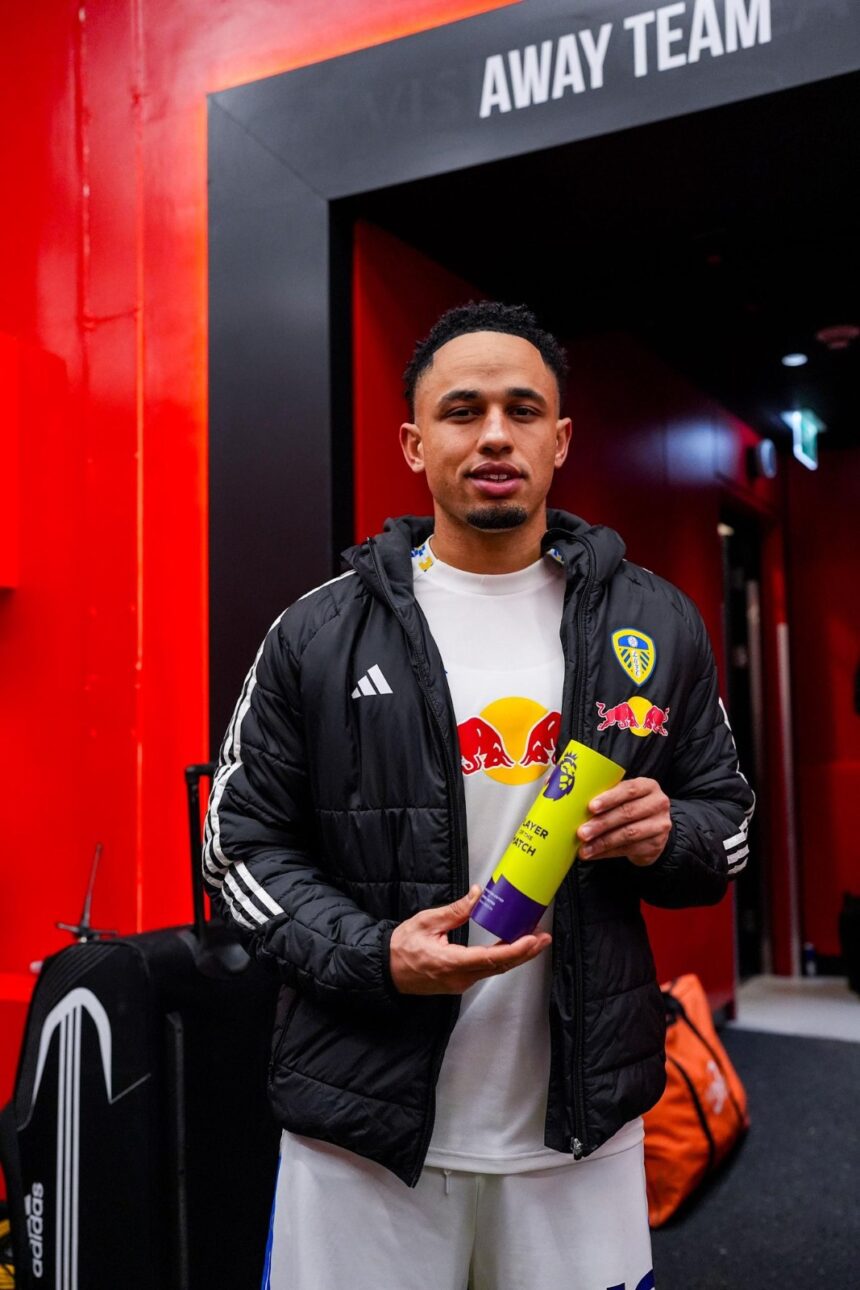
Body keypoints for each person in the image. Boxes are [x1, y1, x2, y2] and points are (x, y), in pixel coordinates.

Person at [202, 301, 753, 1290]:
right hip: (360, 1135)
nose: (493, 433)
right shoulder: (317, 633)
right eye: (461, 411)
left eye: (520, 409)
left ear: (560, 439)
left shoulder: (653, 622)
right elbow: (237, 848)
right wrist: (375, 955)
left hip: (576, 1133)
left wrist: (669, 833)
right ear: (414, 445)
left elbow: (727, 817)